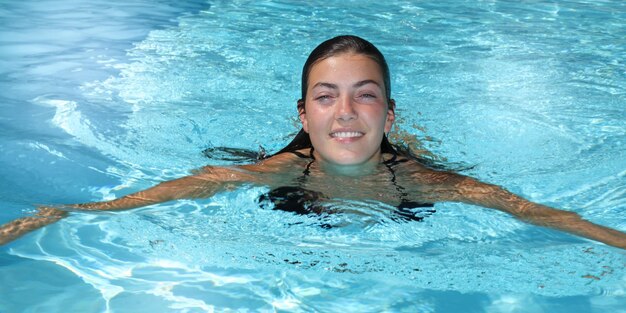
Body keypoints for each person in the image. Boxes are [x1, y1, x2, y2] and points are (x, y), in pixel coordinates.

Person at [1, 35, 625, 250]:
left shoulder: (421, 181)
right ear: (303, 112)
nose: (347, 110)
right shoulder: (279, 171)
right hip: (304, 163)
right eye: (327, 96)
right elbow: (184, 188)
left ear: (388, 109)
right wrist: (68, 212)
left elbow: (529, 210)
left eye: (365, 94)